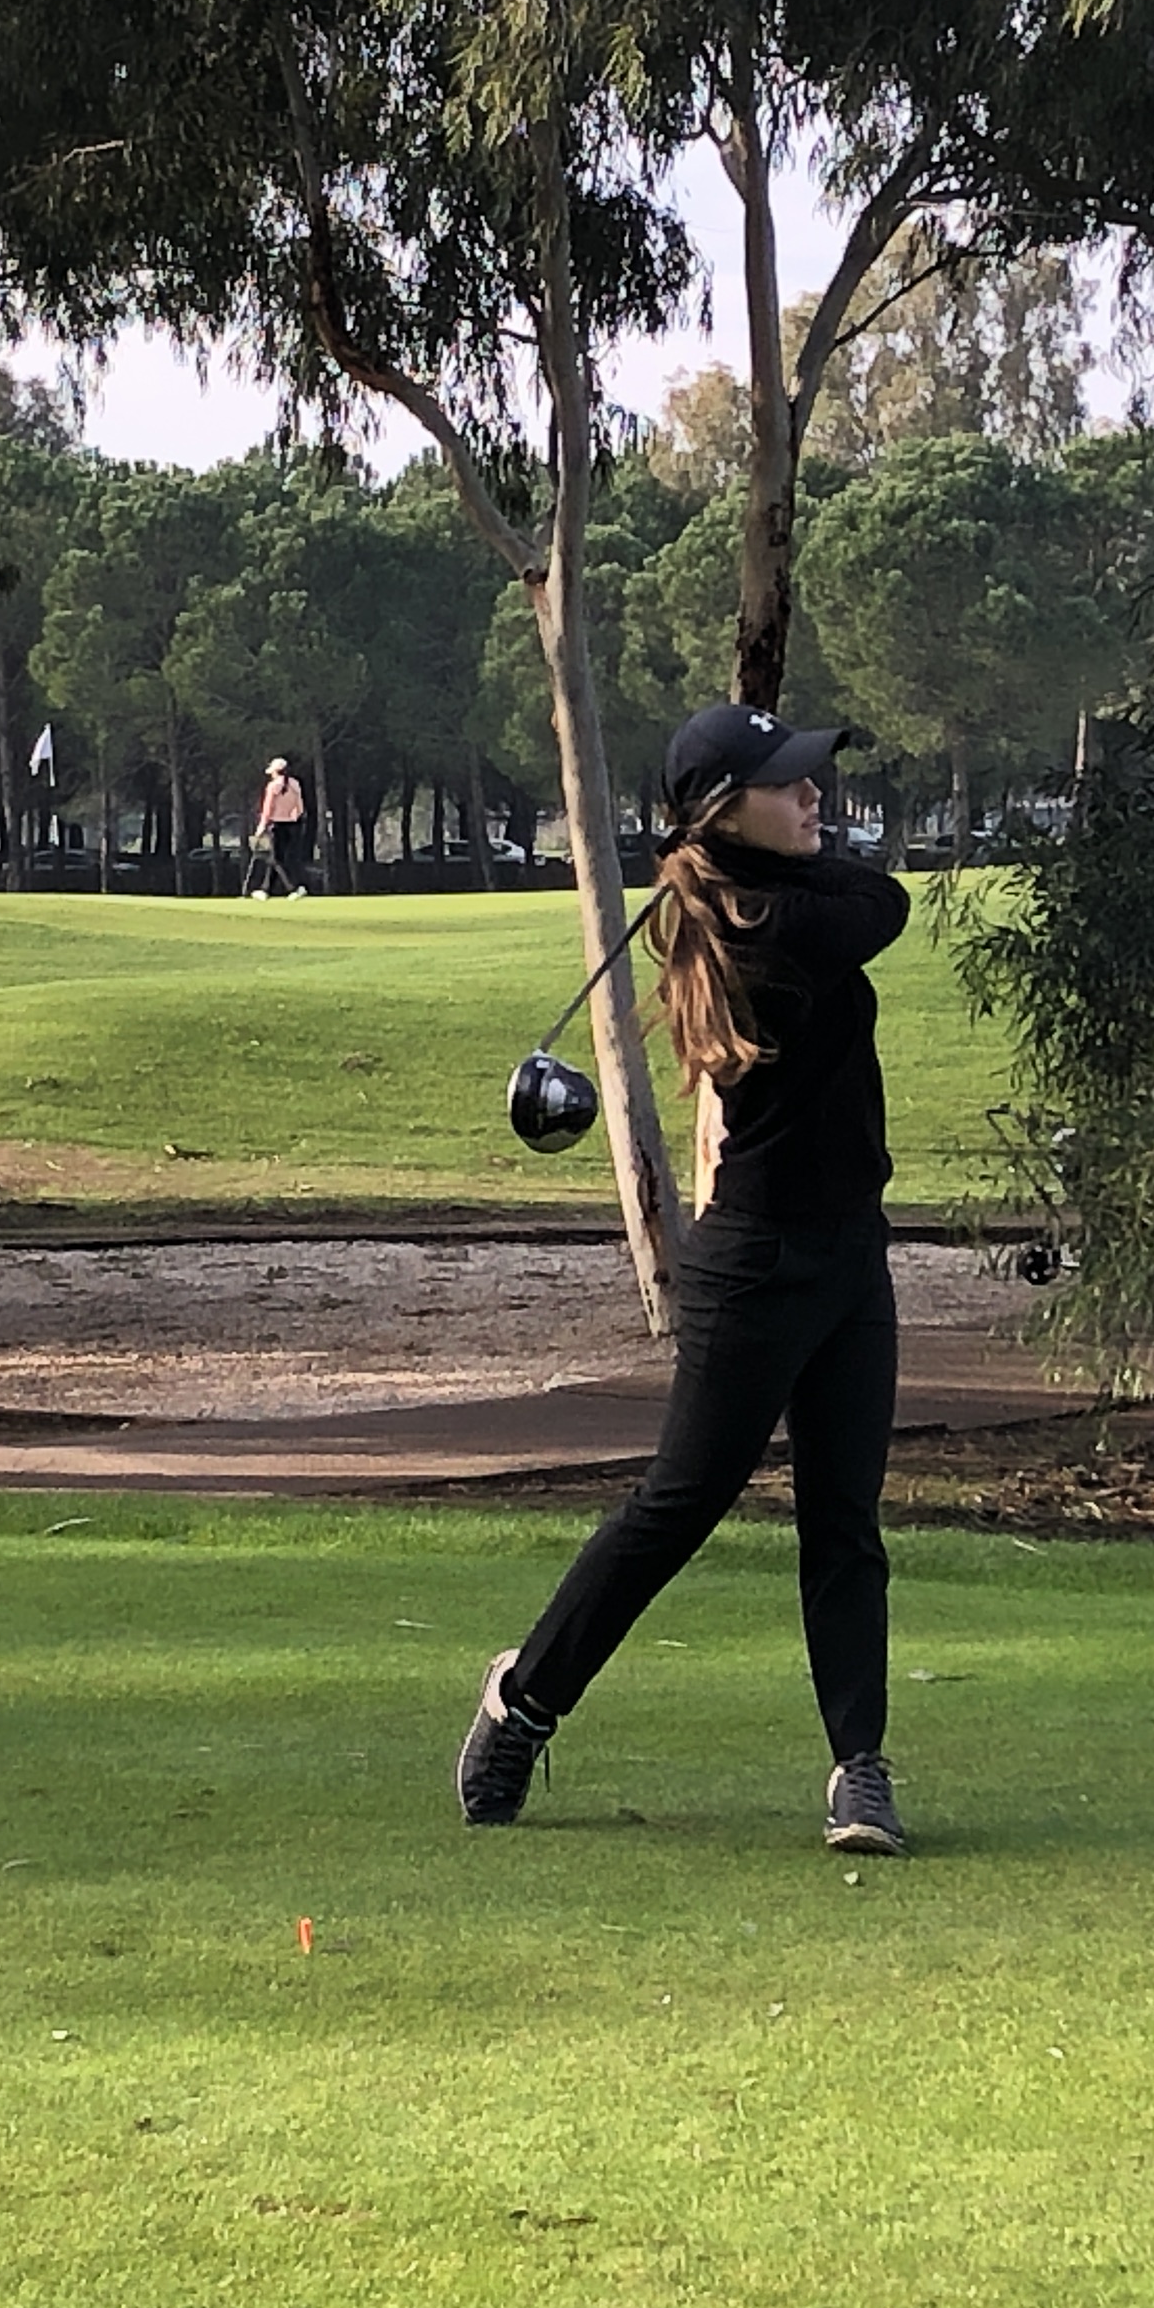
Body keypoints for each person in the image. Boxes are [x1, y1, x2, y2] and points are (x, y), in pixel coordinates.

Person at [458, 700, 916, 1855]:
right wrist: (725, 862)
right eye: (789, 782)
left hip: (850, 1253)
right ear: (725, 813)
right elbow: (881, 903)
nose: (814, 794)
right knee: (678, 1507)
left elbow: (864, 893)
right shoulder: (768, 928)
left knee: (845, 1521)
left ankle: (860, 1770)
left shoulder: (738, 900)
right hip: (756, 1262)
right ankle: (522, 1701)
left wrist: (716, 853)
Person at [248, 756, 309, 897]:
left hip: (277, 825)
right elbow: (300, 807)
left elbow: (267, 809)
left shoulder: (273, 786)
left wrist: (261, 827)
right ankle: (265, 890)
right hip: (294, 824)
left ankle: (294, 888)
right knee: (282, 858)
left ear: (276, 772)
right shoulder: (295, 784)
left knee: (277, 860)